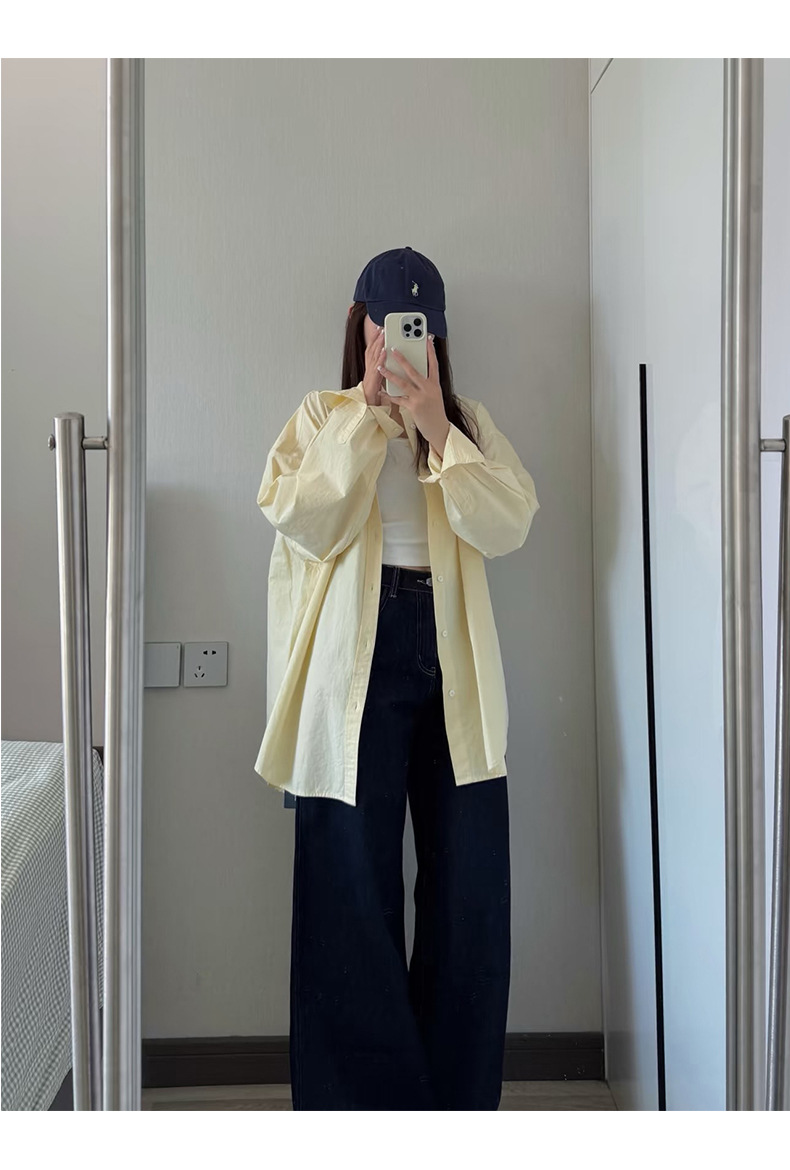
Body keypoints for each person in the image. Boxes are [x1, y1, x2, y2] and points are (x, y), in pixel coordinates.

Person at [255, 246, 540, 1110]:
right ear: (363, 328)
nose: (408, 345)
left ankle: (452, 1111)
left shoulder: (468, 424)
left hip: (453, 660)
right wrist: (371, 419)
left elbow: (509, 524)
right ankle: (361, 1116)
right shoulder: (324, 414)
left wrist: (437, 430)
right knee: (350, 888)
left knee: (468, 893)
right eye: (392, 328)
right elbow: (301, 517)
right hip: (355, 660)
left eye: (423, 332)